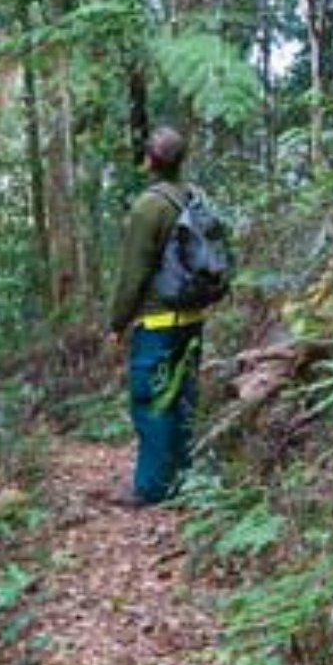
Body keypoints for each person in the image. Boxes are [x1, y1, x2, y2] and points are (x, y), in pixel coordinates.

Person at [104, 127, 223, 506]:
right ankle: (184, 481)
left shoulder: (148, 206)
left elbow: (133, 273)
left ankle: (152, 488)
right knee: (185, 397)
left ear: (150, 160)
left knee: (153, 401)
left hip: (157, 324)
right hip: (193, 317)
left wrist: (116, 323)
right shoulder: (193, 198)